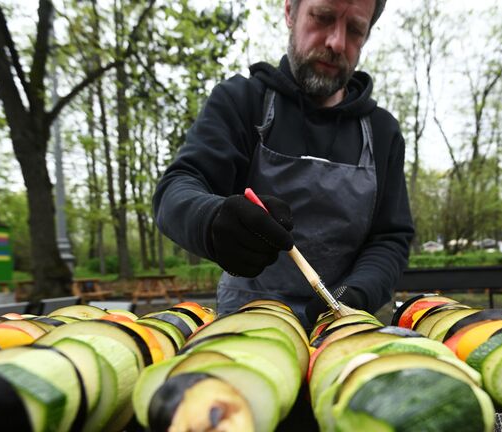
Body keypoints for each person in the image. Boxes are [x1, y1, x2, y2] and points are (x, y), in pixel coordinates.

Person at [153, 0, 413, 329]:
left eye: (355, 30)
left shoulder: (382, 132)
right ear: (290, 11)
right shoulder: (242, 102)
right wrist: (212, 221)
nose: (336, 42)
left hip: (344, 333)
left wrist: (356, 292)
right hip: (244, 331)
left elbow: (390, 239)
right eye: (323, 17)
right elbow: (176, 189)